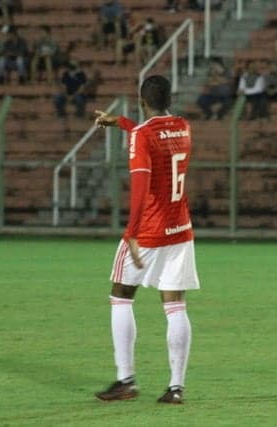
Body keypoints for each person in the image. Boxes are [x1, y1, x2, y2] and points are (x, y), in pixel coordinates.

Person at [93, 75, 200, 404]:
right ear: (170, 98)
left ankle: (126, 380)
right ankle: (176, 387)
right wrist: (123, 123)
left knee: (121, 294)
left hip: (150, 230)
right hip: (180, 229)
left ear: (142, 101)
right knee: (174, 304)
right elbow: (155, 137)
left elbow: (140, 185)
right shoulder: (183, 126)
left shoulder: (142, 134)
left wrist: (132, 233)